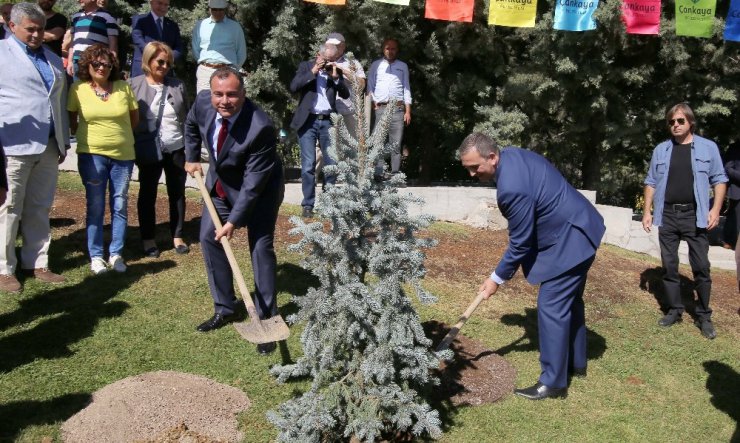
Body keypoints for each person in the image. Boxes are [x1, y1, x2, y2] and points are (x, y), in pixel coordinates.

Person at [459, 132, 605, 400]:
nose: (471, 174)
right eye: (467, 168)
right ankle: (576, 363)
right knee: (570, 302)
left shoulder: (511, 188)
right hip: (582, 225)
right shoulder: (513, 155)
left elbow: (520, 244)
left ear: (492, 157)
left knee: (552, 306)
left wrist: (495, 279)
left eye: (474, 167)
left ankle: (553, 383)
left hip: (571, 238)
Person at [184, 67, 284, 355]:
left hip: (260, 191)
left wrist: (235, 222)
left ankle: (265, 317)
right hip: (220, 184)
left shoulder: (260, 127)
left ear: (243, 93)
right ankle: (225, 307)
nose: (224, 101)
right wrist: (191, 157)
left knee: (260, 248)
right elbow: (191, 123)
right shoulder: (204, 102)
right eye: (219, 94)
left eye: (231, 94)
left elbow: (253, 184)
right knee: (208, 237)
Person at [642, 103, 727, 340]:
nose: (675, 125)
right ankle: (674, 310)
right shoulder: (661, 150)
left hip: (695, 216)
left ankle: (704, 316)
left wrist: (715, 209)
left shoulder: (708, 148)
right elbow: (650, 182)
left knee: (701, 267)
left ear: (690, 122)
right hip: (667, 215)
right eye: (671, 122)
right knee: (669, 267)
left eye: (680, 121)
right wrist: (647, 211)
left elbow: (719, 180)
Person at [0, 2, 69, 293]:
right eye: (30, 29)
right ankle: (4, 268)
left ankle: (37, 262)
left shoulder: (52, 59)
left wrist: (63, 138)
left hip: (50, 144)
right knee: (9, 207)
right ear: (11, 26)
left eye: (40, 29)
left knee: (40, 206)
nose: (37, 34)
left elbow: (57, 101)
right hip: (13, 144)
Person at [68, 44, 139, 274]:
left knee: (119, 204)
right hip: (92, 155)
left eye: (106, 64)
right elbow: (72, 120)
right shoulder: (78, 89)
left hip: (123, 155)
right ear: (87, 65)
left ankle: (116, 254)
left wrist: (119, 137)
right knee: (96, 205)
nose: (102, 68)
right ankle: (96, 256)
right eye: (96, 63)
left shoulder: (122, 87)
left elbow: (134, 118)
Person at [129, 42, 189, 258]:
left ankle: (178, 235)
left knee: (177, 193)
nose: (164, 66)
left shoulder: (177, 85)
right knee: (148, 194)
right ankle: (148, 239)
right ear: (148, 61)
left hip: (176, 147)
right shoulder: (133, 85)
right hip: (148, 149)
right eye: (160, 61)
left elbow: (187, 117)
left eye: (168, 62)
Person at [289, 43, 349, 218]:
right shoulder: (306, 66)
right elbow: (294, 87)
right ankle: (308, 204)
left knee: (331, 164)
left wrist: (336, 78)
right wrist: (314, 70)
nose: (329, 63)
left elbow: (345, 94)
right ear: (318, 55)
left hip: (328, 121)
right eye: (326, 59)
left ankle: (328, 203)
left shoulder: (333, 71)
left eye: (332, 60)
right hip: (308, 122)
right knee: (308, 166)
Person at [367, 38, 412, 178]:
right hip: (381, 108)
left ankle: (395, 174)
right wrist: (374, 102)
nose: (390, 51)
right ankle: (378, 173)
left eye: (393, 49)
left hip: (398, 110)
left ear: (397, 50)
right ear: (383, 49)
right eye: (387, 48)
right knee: (378, 141)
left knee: (396, 143)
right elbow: (370, 86)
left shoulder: (402, 66)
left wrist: (408, 110)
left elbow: (406, 88)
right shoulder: (376, 65)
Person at [191, 0, 246, 93]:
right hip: (205, 71)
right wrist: (205, 63)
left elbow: (241, 53)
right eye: (214, 9)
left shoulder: (235, 27)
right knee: (204, 103)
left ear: (225, 9)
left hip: (228, 70)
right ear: (209, 9)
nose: (218, 12)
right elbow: (195, 49)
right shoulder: (200, 25)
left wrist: (233, 69)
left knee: (226, 103)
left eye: (220, 10)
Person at [326, 32, 366, 139]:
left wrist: (342, 71)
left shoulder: (353, 63)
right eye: (330, 45)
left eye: (336, 45)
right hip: (327, 112)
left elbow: (362, 84)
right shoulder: (321, 62)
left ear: (343, 47)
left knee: (352, 145)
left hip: (348, 111)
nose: (333, 48)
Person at [130, 0, 183, 78]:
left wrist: (167, 57)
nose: (163, 7)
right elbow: (137, 39)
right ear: (151, 3)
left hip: (164, 72)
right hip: (142, 69)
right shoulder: (139, 20)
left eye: (166, 5)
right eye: (160, 3)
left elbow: (179, 48)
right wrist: (154, 54)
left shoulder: (173, 26)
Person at [66, 0, 118, 77]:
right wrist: (70, 62)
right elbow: (72, 43)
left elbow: (113, 45)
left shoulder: (107, 17)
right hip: (77, 62)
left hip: (97, 63)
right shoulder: (76, 17)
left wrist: (111, 64)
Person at [722, 141, 740, 249]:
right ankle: (730, 241)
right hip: (738, 189)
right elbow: (728, 168)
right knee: (735, 217)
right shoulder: (735, 147)